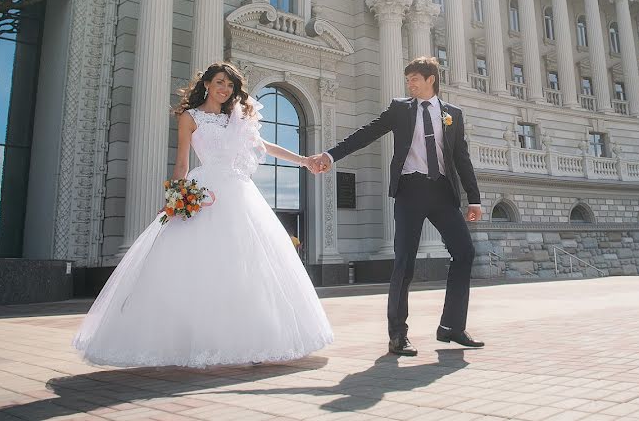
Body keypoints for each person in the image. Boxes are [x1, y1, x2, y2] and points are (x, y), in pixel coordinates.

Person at [73, 62, 333, 367]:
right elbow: (181, 162)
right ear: (207, 83)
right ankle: (188, 339)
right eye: (220, 82)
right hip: (205, 192)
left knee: (245, 263)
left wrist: (304, 160)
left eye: (230, 86)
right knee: (196, 264)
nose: (225, 89)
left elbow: (263, 146)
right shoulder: (190, 117)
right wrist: (175, 199)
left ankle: (251, 339)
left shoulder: (236, 118)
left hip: (239, 193)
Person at [308, 56, 484, 356]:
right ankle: (398, 335)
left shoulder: (452, 114)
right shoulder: (400, 109)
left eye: (415, 78)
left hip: (443, 191)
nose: (410, 84)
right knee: (404, 261)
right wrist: (331, 155)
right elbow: (367, 133)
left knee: (464, 252)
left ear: (431, 79)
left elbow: (461, 158)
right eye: (408, 80)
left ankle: (452, 326)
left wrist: (474, 198)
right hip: (410, 190)